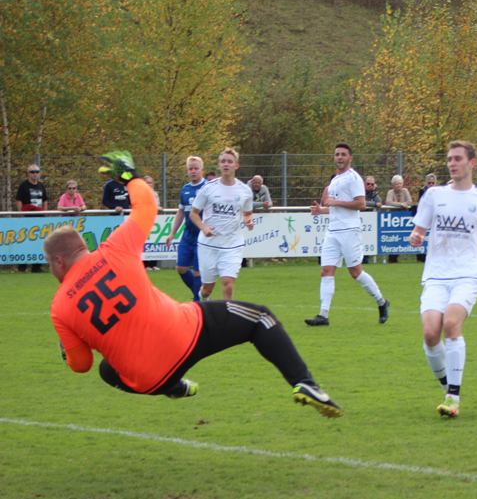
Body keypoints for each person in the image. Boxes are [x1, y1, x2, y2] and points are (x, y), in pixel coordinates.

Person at [44, 150, 341, 418]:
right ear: (82, 246)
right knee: (260, 318)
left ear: (58, 261)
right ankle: (304, 383)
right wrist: (129, 177)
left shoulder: (60, 307)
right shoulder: (114, 249)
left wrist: (69, 346)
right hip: (185, 335)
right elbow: (147, 205)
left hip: (148, 378)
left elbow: (80, 364)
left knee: (107, 371)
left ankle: (172, 386)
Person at [409, 141, 477, 418]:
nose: (451, 163)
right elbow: (418, 232)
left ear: (472, 163)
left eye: (457, 159)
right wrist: (416, 238)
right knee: (430, 334)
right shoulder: (433, 195)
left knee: (451, 324)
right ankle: (448, 383)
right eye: (449, 159)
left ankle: (453, 397)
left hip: (469, 272)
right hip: (436, 274)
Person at [305, 143, 389, 326]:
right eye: (337, 154)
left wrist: (336, 202)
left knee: (356, 272)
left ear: (350, 158)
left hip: (349, 231)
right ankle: (323, 315)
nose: (339, 157)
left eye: (343, 154)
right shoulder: (335, 179)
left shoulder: (354, 178)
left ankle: (382, 302)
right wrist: (320, 210)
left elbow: (361, 204)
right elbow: (335, 208)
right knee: (326, 270)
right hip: (332, 231)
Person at [190, 148, 254, 301]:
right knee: (206, 290)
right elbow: (193, 213)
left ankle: (227, 323)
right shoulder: (208, 188)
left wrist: (248, 220)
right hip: (208, 245)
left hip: (232, 244)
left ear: (236, 166)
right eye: (223, 161)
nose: (226, 164)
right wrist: (204, 228)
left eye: (230, 162)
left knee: (228, 285)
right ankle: (202, 307)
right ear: (219, 165)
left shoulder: (245, 191)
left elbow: (247, 213)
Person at [166, 156, 207, 301]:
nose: (193, 171)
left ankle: (198, 304)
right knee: (181, 268)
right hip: (187, 235)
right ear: (187, 171)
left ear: (202, 170)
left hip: (202, 236)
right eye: (190, 169)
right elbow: (181, 211)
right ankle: (200, 294)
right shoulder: (185, 189)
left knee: (197, 272)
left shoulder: (208, 187)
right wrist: (172, 233)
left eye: (196, 168)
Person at [16, 164, 48, 273]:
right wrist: (21, 214)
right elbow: (19, 200)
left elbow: (45, 200)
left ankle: (36, 266)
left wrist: (45, 213)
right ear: (28, 173)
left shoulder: (41, 186)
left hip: (39, 217)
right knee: (24, 241)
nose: (35, 174)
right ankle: (22, 266)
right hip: (28, 216)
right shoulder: (23, 186)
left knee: (39, 241)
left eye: (37, 172)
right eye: (32, 172)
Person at [385, 175, 413, 263]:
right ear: (393, 185)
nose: (399, 186)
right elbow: (388, 202)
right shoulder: (390, 192)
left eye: (400, 184)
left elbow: (410, 201)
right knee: (393, 237)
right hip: (393, 219)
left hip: (403, 218)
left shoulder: (405, 191)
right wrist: (401, 204)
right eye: (397, 184)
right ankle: (392, 258)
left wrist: (403, 204)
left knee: (403, 237)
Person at [142, 176, 162, 271]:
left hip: (153, 220)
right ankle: (144, 264)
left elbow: (156, 205)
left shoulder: (154, 194)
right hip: (143, 220)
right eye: (147, 182)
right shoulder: (140, 194)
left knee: (155, 239)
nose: (148, 184)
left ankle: (153, 264)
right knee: (144, 241)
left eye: (150, 183)